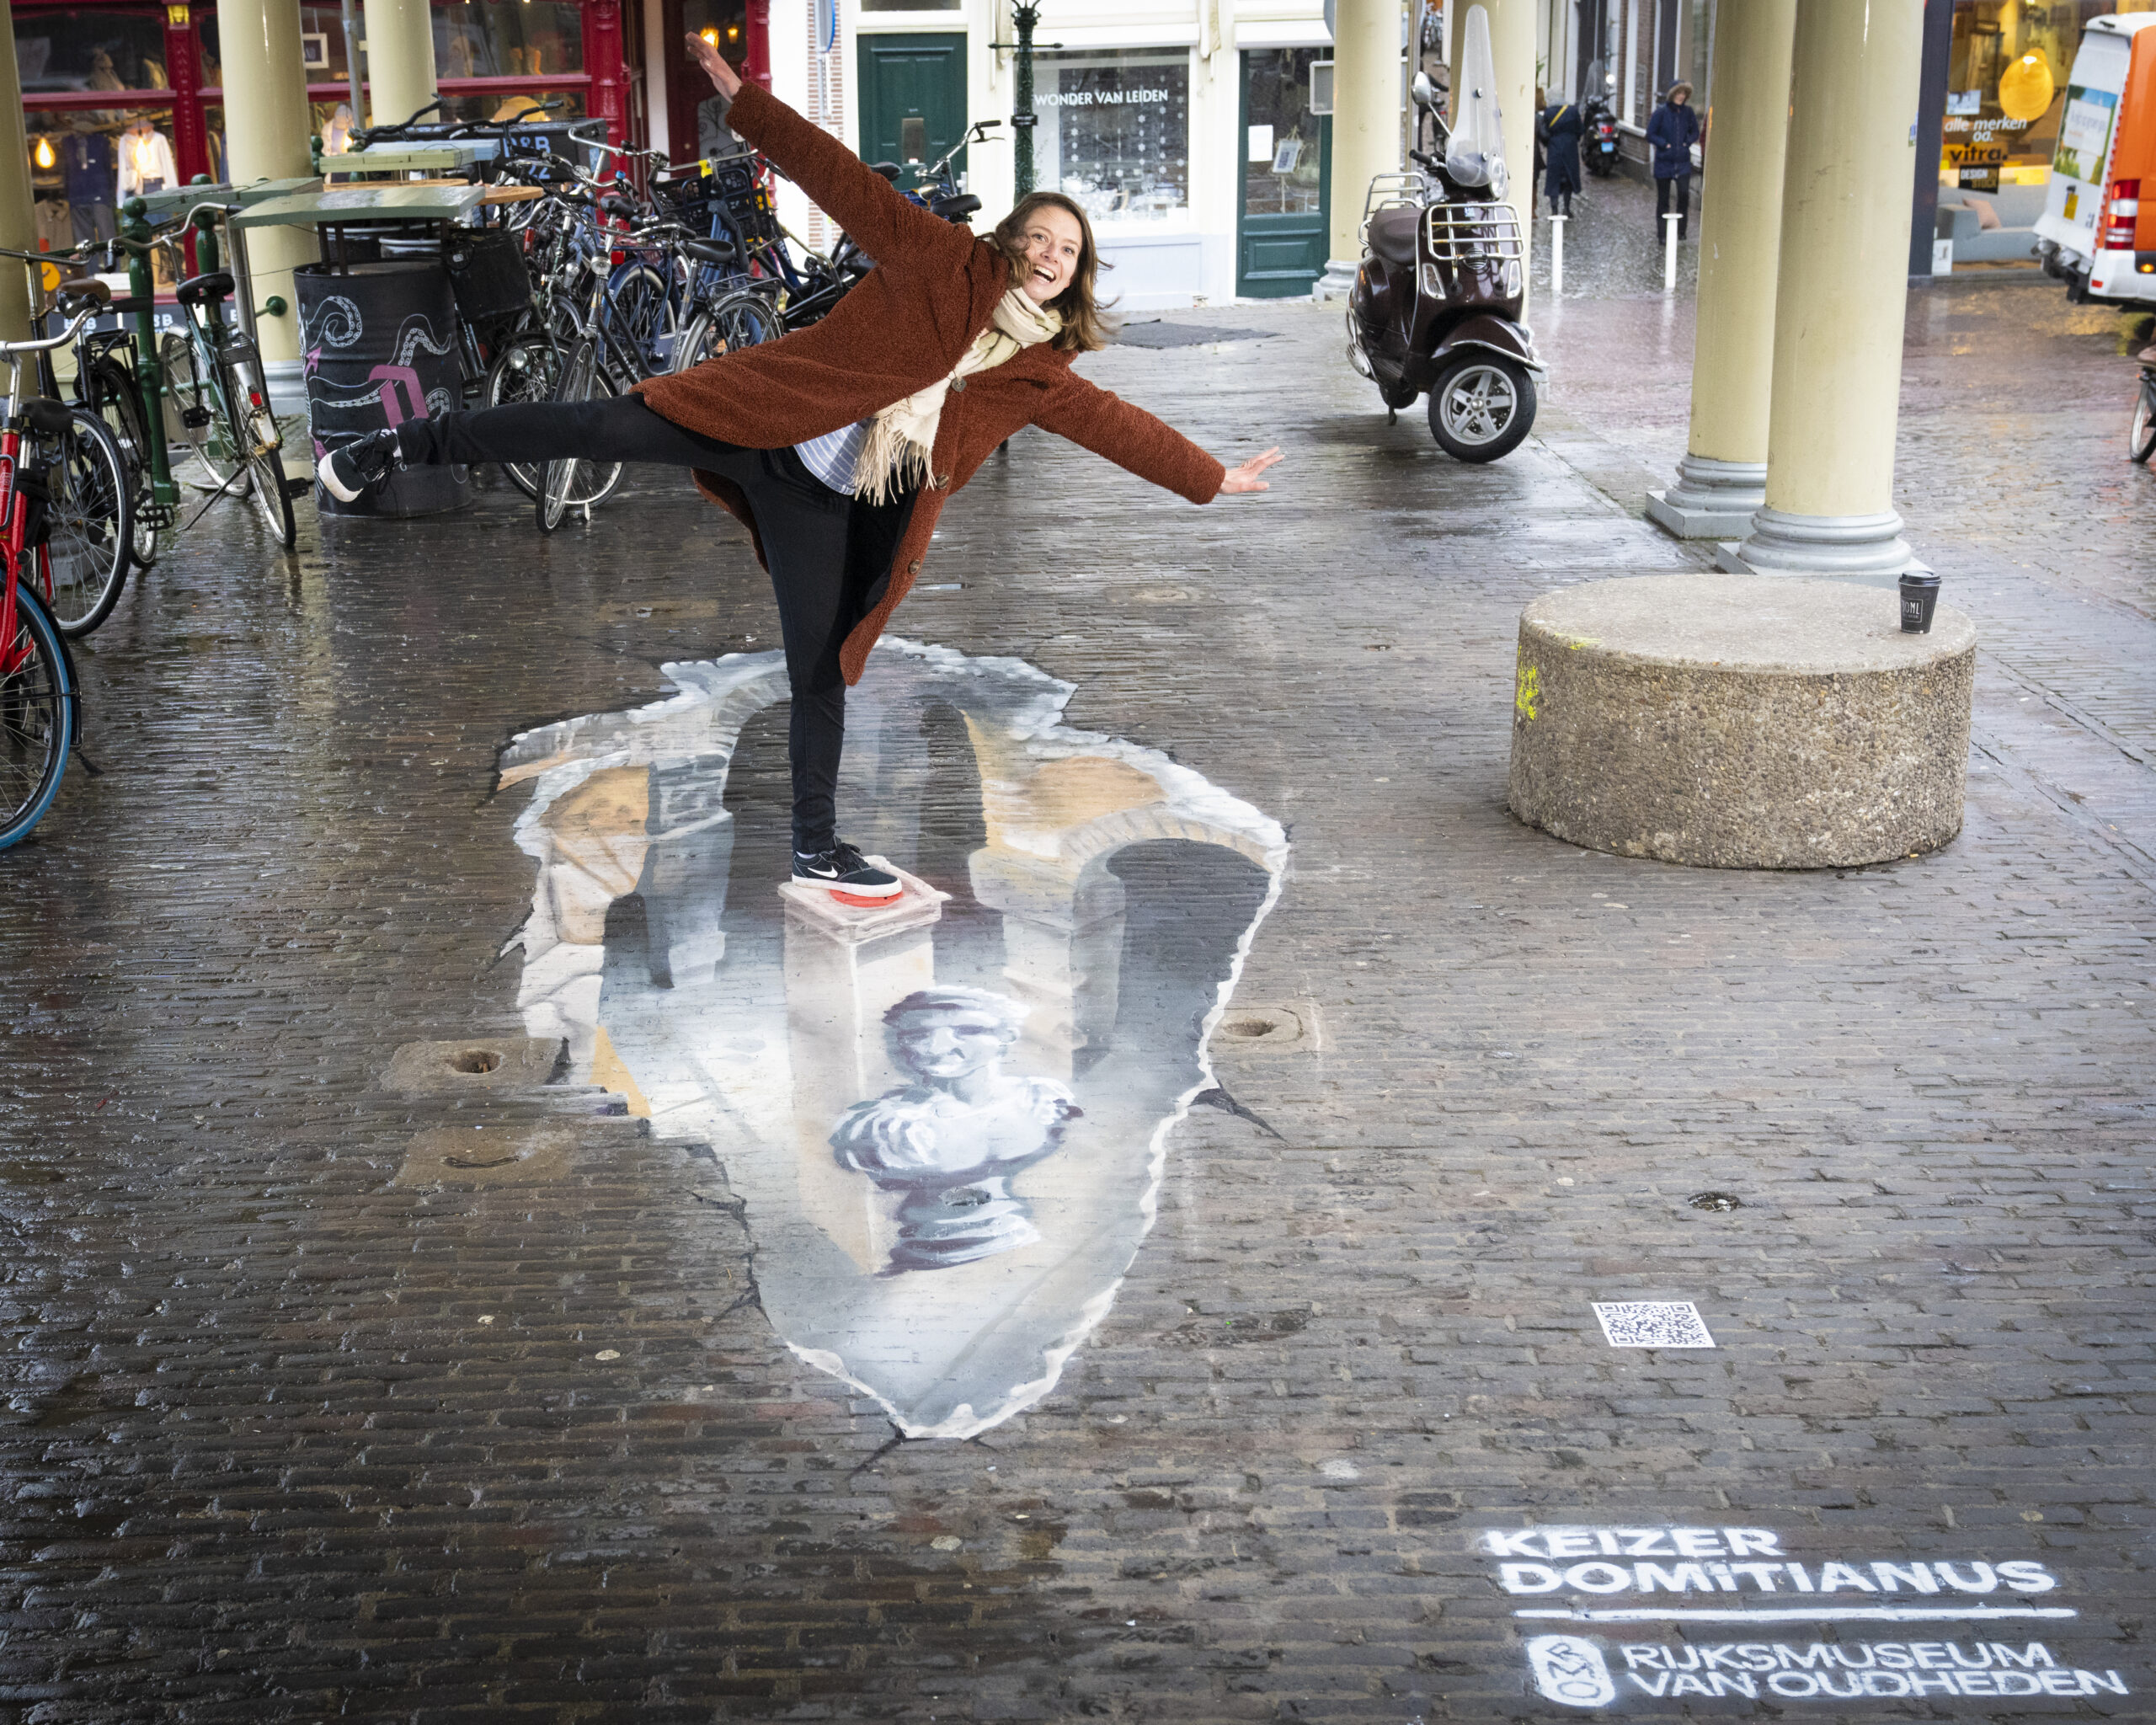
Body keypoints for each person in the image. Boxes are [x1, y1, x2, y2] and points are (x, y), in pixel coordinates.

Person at [318, 36, 1282, 907]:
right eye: (1038, 237)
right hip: (762, 422)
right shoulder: (939, 259)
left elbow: (1118, 426)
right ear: (1009, 240)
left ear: (1077, 277)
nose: (1048, 257)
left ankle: (815, 847)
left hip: (833, 499)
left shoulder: (1039, 373)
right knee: (595, 425)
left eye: (1067, 253)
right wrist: (751, 106)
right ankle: (394, 446)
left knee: (822, 671)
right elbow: (843, 181)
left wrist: (1211, 476)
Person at [1646, 80, 1700, 242]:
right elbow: (1650, 134)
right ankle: (1662, 234)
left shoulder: (1688, 112)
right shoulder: (1661, 112)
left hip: (1682, 162)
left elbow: (1695, 132)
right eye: (1678, 93)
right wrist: (1665, 145)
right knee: (1663, 199)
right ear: (1672, 95)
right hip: (1664, 161)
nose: (1681, 96)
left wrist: (1687, 143)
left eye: (1684, 94)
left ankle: (1681, 232)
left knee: (1683, 195)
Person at [1541, 94, 1583, 218]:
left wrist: (1549, 142)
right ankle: (1566, 208)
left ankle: (1554, 210)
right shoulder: (1573, 111)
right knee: (1569, 178)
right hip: (1570, 148)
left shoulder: (1548, 112)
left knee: (1553, 178)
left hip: (1554, 148)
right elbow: (1580, 130)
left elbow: (1543, 132)